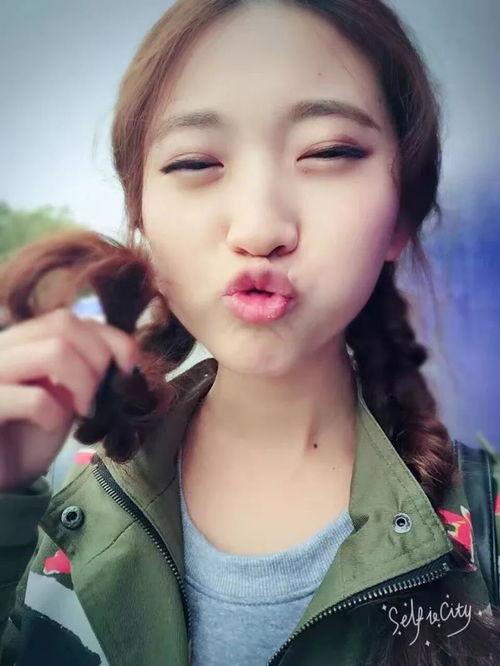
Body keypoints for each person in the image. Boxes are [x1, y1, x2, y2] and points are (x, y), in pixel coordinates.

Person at [0, 1, 499, 664]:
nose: (260, 228)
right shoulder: (58, 506)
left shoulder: (489, 526)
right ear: (140, 211)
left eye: (328, 151)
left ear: (400, 214)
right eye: (194, 163)